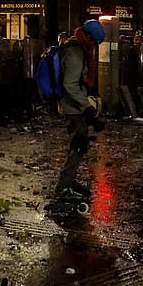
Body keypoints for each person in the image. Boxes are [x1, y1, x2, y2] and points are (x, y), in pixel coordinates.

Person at [50, 19, 107, 209]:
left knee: (79, 144)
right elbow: (70, 85)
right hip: (73, 108)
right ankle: (64, 187)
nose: (95, 47)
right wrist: (87, 108)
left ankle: (69, 181)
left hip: (75, 106)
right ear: (88, 37)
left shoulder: (76, 46)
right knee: (79, 144)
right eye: (95, 42)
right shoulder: (75, 53)